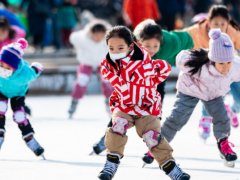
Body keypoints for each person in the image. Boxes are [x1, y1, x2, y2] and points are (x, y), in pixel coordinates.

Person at [90, 19, 194, 167]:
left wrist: (192, 55)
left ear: (161, 43)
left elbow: (188, 38)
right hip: (134, 79)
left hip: (156, 74)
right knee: (122, 108)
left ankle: (154, 144)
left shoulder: (171, 43)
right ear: (137, 44)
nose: (151, 50)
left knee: (155, 106)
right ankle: (106, 138)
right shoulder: (130, 50)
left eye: (155, 46)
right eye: (147, 46)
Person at [162, 29, 238, 168]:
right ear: (213, 60)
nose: (226, 67)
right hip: (190, 90)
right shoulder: (197, 64)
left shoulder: (235, 66)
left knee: (221, 116)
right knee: (178, 118)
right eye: (222, 63)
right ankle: (159, 144)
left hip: (213, 94)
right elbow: (180, 57)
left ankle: (223, 144)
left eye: (229, 62)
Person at [184, 5, 240, 141]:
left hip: (229, 69)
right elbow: (180, 38)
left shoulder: (232, 32)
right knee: (210, 94)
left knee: (238, 98)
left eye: (223, 24)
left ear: (228, 23)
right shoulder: (197, 31)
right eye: (216, 24)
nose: (220, 27)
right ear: (209, 22)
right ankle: (205, 119)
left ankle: (231, 110)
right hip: (208, 71)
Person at [0, 38, 45, 159]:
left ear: (15, 67)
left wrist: (36, 68)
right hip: (1, 91)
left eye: (8, 68)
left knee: (19, 115)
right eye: (1, 65)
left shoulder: (24, 74)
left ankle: (29, 137)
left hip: (18, 94)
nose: (3, 69)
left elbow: (34, 72)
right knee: (0, 107)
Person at [68, 19, 113, 119]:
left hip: (102, 63)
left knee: (106, 80)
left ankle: (109, 101)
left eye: (101, 36)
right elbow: (73, 38)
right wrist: (85, 32)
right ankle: (74, 102)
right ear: (91, 33)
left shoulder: (109, 40)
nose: (98, 38)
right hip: (87, 62)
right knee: (82, 80)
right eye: (96, 35)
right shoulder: (84, 39)